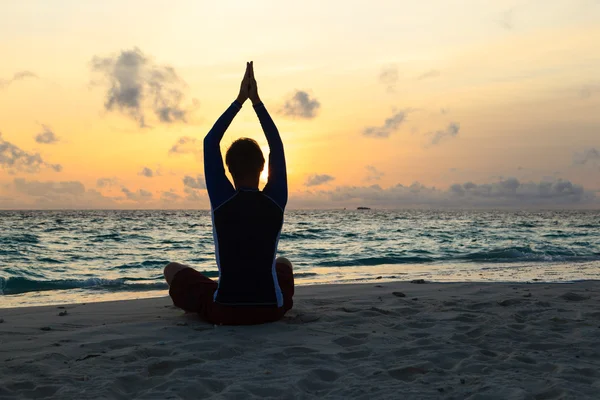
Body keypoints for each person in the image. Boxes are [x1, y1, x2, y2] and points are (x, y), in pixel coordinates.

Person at [163, 61, 294, 325]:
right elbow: (276, 144)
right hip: (271, 310)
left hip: (226, 310)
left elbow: (210, 141)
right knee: (284, 263)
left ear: (228, 169)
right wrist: (256, 102)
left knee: (172, 270)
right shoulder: (275, 199)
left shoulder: (222, 199)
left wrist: (239, 101)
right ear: (262, 167)